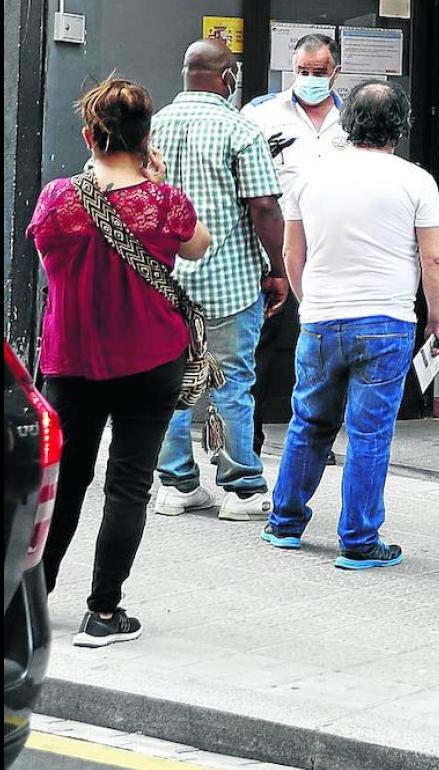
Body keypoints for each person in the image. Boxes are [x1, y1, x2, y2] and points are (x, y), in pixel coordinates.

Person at [26, 78, 211, 647]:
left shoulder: (58, 199)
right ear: (147, 138)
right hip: (150, 361)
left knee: (63, 484)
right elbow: (198, 245)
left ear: (89, 136)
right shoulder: (164, 203)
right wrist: (154, 181)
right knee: (128, 486)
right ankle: (103, 613)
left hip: (72, 363)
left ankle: (31, 603)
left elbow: (45, 254)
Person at [260, 81, 439, 570]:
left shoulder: (310, 178)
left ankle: (285, 522)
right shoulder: (416, 181)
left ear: (348, 123)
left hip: (321, 318)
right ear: (401, 126)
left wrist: (309, 302)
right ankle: (360, 540)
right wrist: (438, 319)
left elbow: (292, 251)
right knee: (369, 434)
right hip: (386, 320)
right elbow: (433, 258)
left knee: (309, 421)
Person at [151, 39, 287, 522]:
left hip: (164, 278)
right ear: (228, 78)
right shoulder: (241, 129)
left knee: (171, 382)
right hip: (228, 280)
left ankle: (176, 485)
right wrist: (278, 269)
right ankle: (242, 489)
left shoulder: (154, 126)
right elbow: (264, 207)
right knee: (231, 383)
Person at [242, 33, 350, 458]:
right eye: (302, 71)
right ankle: (246, 441)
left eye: (318, 72)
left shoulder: (351, 118)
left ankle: (318, 440)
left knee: (325, 347)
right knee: (262, 344)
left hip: (332, 246)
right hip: (273, 244)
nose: (309, 79)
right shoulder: (262, 113)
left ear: (335, 72)